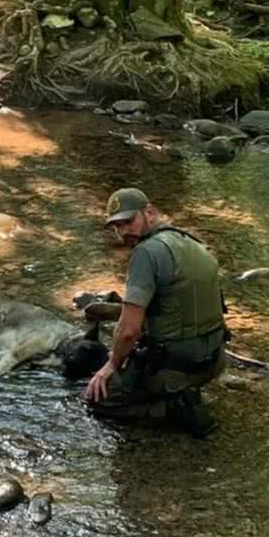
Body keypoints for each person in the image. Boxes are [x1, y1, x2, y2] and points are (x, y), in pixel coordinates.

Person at [84, 187, 228, 437]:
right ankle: (180, 392)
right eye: (116, 226)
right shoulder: (191, 242)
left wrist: (111, 365)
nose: (123, 231)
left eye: (128, 221)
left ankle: (172, 407)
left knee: (97, 399)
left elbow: (129, 331)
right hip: (214, 359)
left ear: (149, 213)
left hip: (178, 367)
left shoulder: (146, 253)